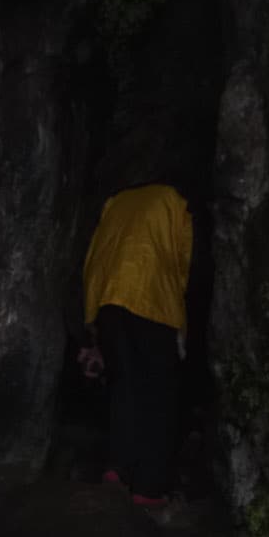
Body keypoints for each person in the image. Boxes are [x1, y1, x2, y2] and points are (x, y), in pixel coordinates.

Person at [77, 183, 192, 506]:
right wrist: (180, 325)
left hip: (109, 298)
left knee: (125, 383)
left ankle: (118, 469)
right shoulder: (174, 203)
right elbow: (180, 264)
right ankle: (148, 488)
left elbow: (93, 258)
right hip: (152, 299)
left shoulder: (114, 203)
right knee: (160, 392)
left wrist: (92, 322)